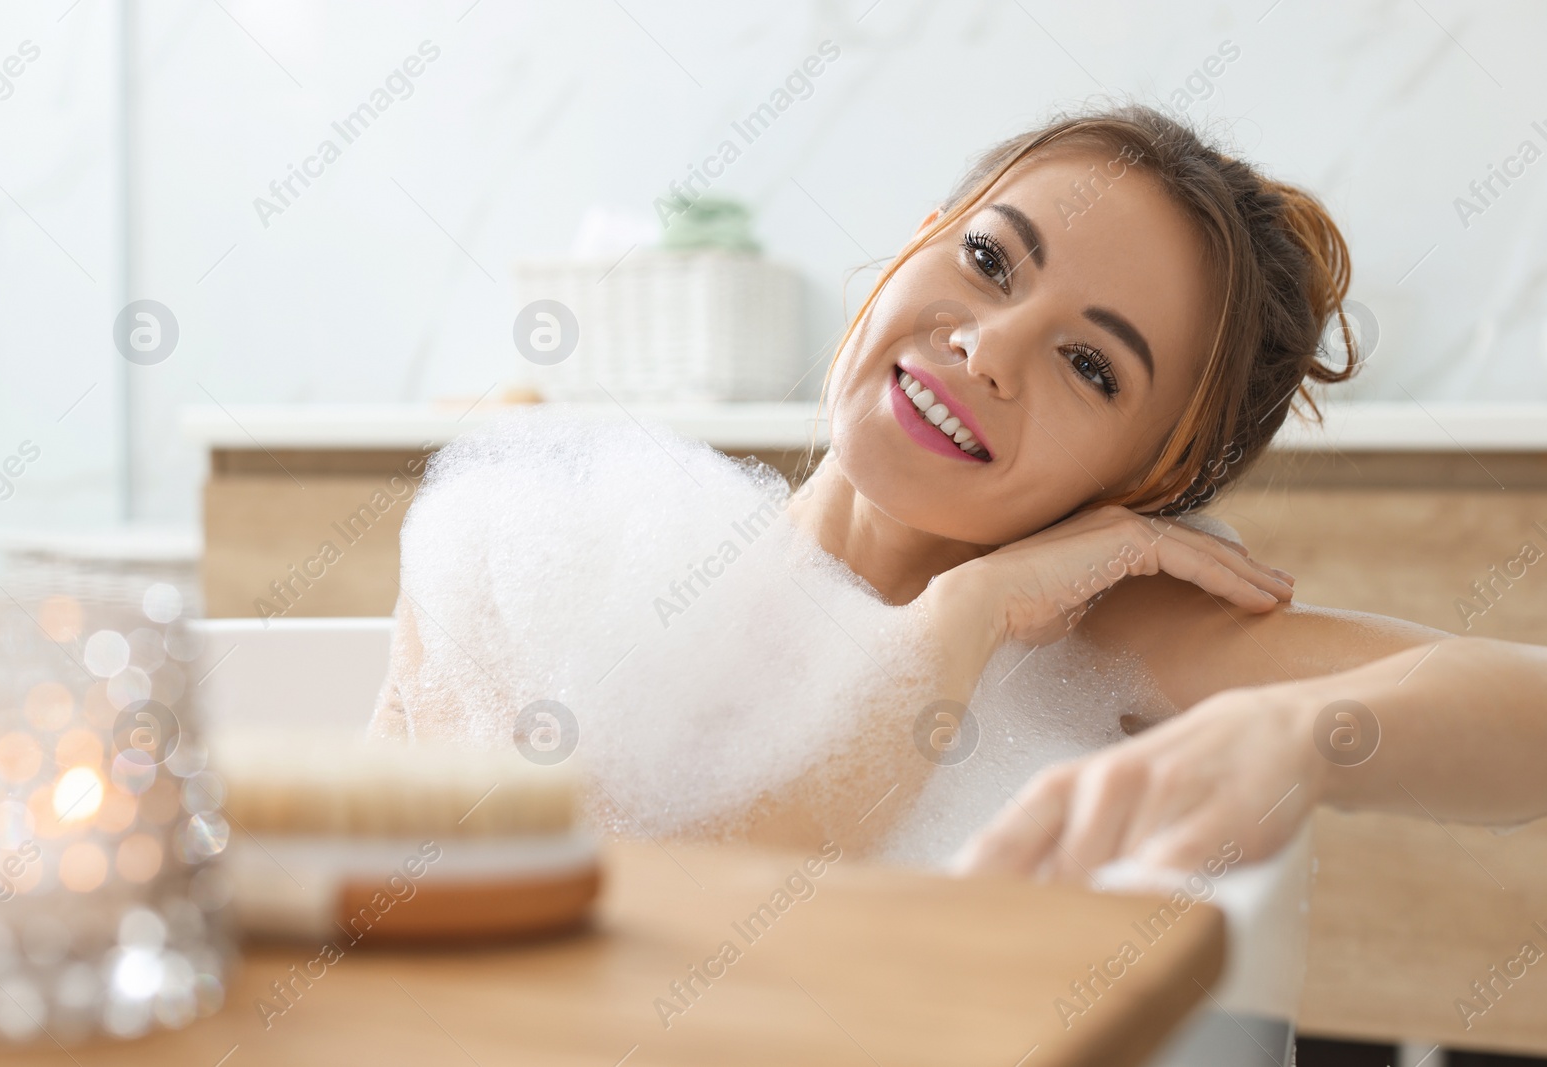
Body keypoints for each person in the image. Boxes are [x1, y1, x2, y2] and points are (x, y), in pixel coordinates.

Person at [372, 103, 1547, 876]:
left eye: (1090, 365)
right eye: (988, 260)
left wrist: (1292, 731)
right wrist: (963, 616)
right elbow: (580, 916)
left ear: (1148, 480)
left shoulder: (1098, 645)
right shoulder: (542, 536)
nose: (989, 346)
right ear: (909, 248)